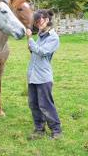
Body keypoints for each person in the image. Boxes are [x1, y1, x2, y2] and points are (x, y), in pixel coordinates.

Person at [26, 9, 62, 140]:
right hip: (33, 76)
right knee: (34, 104)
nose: (37, 23)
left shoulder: (53, 37)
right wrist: (31, 43)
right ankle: (39, 129)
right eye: (36, 22)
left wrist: (30, 38)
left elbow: (41, 52)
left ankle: (57, 131)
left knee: (46, 105)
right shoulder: (40, 36)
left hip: (43, 77)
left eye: (39, 20)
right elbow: (34, 53)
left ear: (47, 19)